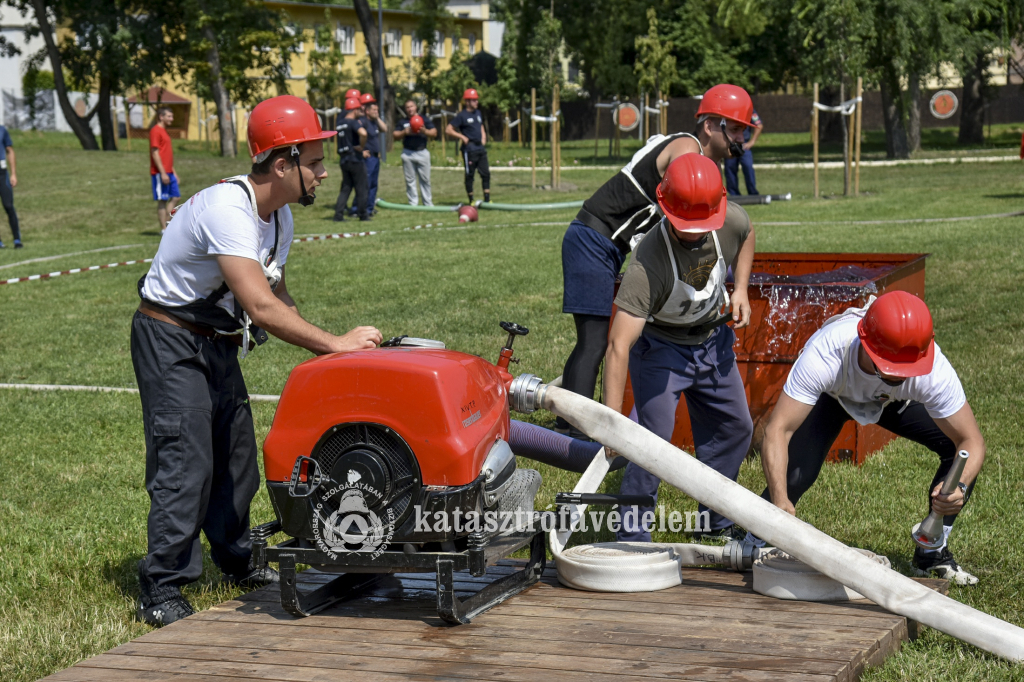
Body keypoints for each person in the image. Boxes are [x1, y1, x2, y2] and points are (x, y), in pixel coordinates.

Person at [132, 95, 383, 626]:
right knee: (187, 458)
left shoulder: (279, 218)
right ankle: (161, 584)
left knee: (236, 453)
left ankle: (237, 560)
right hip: (170, 336)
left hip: (215, 340)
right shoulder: (230, 210)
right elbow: (261, 307)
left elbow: (280, 295)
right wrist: (334, 343)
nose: (322, 172)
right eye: (313, 162)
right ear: (281, 163)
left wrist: (335, 355)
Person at [556, 84, 755, 439]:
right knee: (595, 341)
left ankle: (568, 417)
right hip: (593, 239)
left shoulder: (696, 156)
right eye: (736, 128)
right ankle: (574, 435)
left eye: (743, 129)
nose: (740, 137)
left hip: (606, 243)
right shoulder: (687, 151)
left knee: (594, 340)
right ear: (709, 125)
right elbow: (678, 216)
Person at [757, 290, 985, 585]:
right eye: (892, 370)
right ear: (865, 344)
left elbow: (972, 442)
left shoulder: (931, 369)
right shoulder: (827, 352)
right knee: (796, 474)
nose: (901, 375)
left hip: (893, 403)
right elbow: (778, 430)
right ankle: (757, 532)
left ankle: (932, 552)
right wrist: (779, 501)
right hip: (833, 396)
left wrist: (960, 486)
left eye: (907, 371)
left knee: (955, 454)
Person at [604, 153, 755, 543]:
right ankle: (632, 536)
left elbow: (748, 233)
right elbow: (619, 346)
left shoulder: (729, 220)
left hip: (714, 343)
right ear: (664, 207)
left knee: (736, 427)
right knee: (649, 441)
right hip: (661, 350)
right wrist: (609, 424)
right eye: (685, 224)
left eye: (701, 223)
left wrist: (740, 288)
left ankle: (715, 523)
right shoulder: (646, 264)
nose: (694, 232)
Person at [446, 88, 490, 204]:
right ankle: (471, 199)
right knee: (470, 174)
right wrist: (462, 137)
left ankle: (487, 198)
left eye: (476, 100)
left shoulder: (478, 113)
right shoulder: (462, 116)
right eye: (474, 100)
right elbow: (448, 129)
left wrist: (483, 136)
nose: (476, 102)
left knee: (485, 173)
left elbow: (480, 125)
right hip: (469, 149)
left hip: (480, 147)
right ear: (467, 102)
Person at [394, 100, 437, 206]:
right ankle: (413, 203)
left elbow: (434, 132)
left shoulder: (424, 119)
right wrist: (404, 132)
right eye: (407, 107)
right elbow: (395, 135)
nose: (410, 109)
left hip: (422, 151)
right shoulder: (403, 121)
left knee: (425, 179)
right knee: (410, 180)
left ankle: (428, 203)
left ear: (415, 107)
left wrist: (424, 131)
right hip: (408, 153)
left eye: (411, 106)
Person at [334, 96, 370, 222]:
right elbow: (363, 133)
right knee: (362, 188)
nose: (361, 112)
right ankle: (363, 215)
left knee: (346, 188)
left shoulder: (339, 124)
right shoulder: (353, 122)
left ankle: (338, 214)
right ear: (354, 110)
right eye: (359, 110)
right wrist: (361, 146)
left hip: (343, 160)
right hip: (355, 159)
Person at [150, 107, 181, 233]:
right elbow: (155, 152)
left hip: (169, 171)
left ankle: (168, 222)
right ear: (161, 117)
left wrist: (173, 172)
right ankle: (164, 229)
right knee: (163, 199)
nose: (171, 119)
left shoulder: (164, 131)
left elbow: (166, 154)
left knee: (176, 197)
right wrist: (162, 173)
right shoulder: (155, 131)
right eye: (169, 116)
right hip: (159, 172)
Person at [357, 93, 387, 213]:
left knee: (374, 184)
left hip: (375, 157)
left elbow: (384, 129)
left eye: (377, 110)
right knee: (366, 184)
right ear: (367, 111)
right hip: (368, 158)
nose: (376, 112)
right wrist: (362, 150)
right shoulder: (363, 122)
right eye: (374, 110)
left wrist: (377, 117)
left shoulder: (375, 122)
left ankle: (370, 208)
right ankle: (359, 208)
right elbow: (358, 136)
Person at [724, 110, 763, 196]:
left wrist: (752, 141)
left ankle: (752, 192)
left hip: (744, 144)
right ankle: (734, 194)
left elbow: (759, 124)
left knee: (748, 166)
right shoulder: (727, 109)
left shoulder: (749, 110)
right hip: (731, 144)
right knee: (730, 168)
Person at [0, 123, 21, 249]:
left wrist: (13, 174)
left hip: (2, 173)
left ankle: (17, 240)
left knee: (8, 205)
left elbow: (10, 150)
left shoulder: (2, 130)